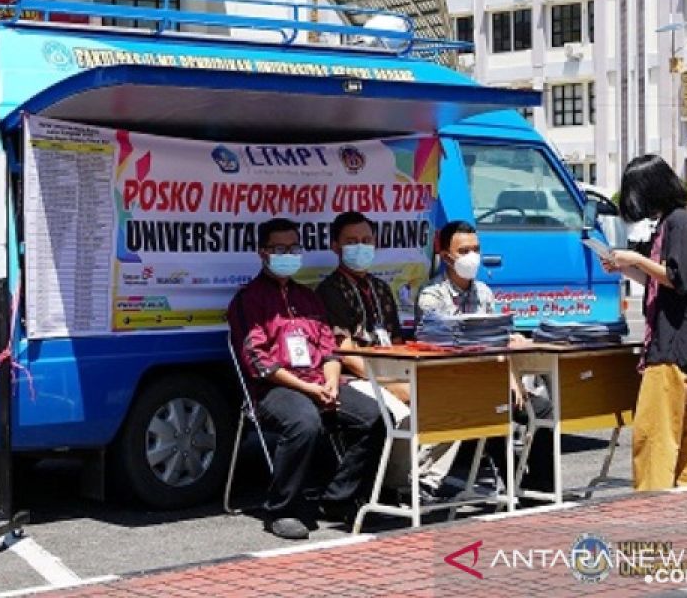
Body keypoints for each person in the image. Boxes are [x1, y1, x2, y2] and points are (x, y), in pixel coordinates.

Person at [229, 217, 385, 540]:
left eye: (293, 247)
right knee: (305, 422)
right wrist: (309, 390)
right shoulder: (248, 300)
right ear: (262, 253)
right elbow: (259, 362)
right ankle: (280, 509)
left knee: (374, 417)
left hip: (320, 381)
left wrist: (328, 383)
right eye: (279, 249)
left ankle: (338, 498)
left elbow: (329, 348)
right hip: (276, 388)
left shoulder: (308, 298)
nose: (288, 254)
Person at [414, 220, 556, 496]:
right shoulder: (431, 296)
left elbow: (500, 342)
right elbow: (441, 348)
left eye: (476, 249)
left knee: (541, 408)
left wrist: (513, 377)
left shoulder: (484, 292)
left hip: (491, 378)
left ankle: (540, 486)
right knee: (493, 409)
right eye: (464, 250)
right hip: (451, 380)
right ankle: (510, 483)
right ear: (446, 257)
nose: (472, 257)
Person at [316, 211, 447, 501]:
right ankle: (391, 487)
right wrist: (389, 382)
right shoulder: (329, 291)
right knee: (399, 413)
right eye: (352, 242)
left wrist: (407, 373)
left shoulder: (381, 288)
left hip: (392, 369)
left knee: (448, 401)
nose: (360, 247)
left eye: (366, 240)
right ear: (335, 247)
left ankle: (423, 479)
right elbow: (345, 352)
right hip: (357, 376)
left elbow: (397, 341)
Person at [603, 154, 687, 491]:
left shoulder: (679, 222)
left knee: (655, 436)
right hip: (680, 344)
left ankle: (652, 507)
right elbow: (657, 280)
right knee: (681, 435)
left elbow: (676, 277)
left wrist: (635, 258)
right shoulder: (671, 222)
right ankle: (684, 499)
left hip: (672, 345)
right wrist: (626, 267)